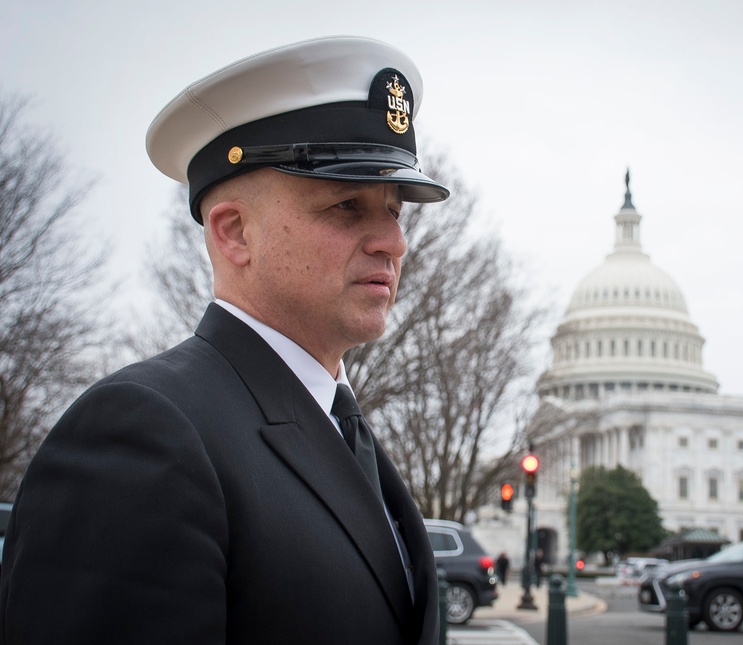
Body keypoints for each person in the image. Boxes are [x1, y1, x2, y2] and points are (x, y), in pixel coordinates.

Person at [0, 36, 449, 645]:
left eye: (394, 210)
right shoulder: (143, 434)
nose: (392, 243)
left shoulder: (339, 430)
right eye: (347, 205)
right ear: (234, 232)